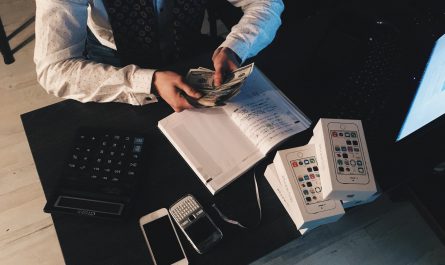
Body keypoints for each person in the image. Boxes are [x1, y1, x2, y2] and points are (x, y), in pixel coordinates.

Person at [34, 0, 284, 112]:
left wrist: (236, 47)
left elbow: (267, 3)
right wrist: (148, 81)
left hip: (187, 46)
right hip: (115, 61)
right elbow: (54, 69)